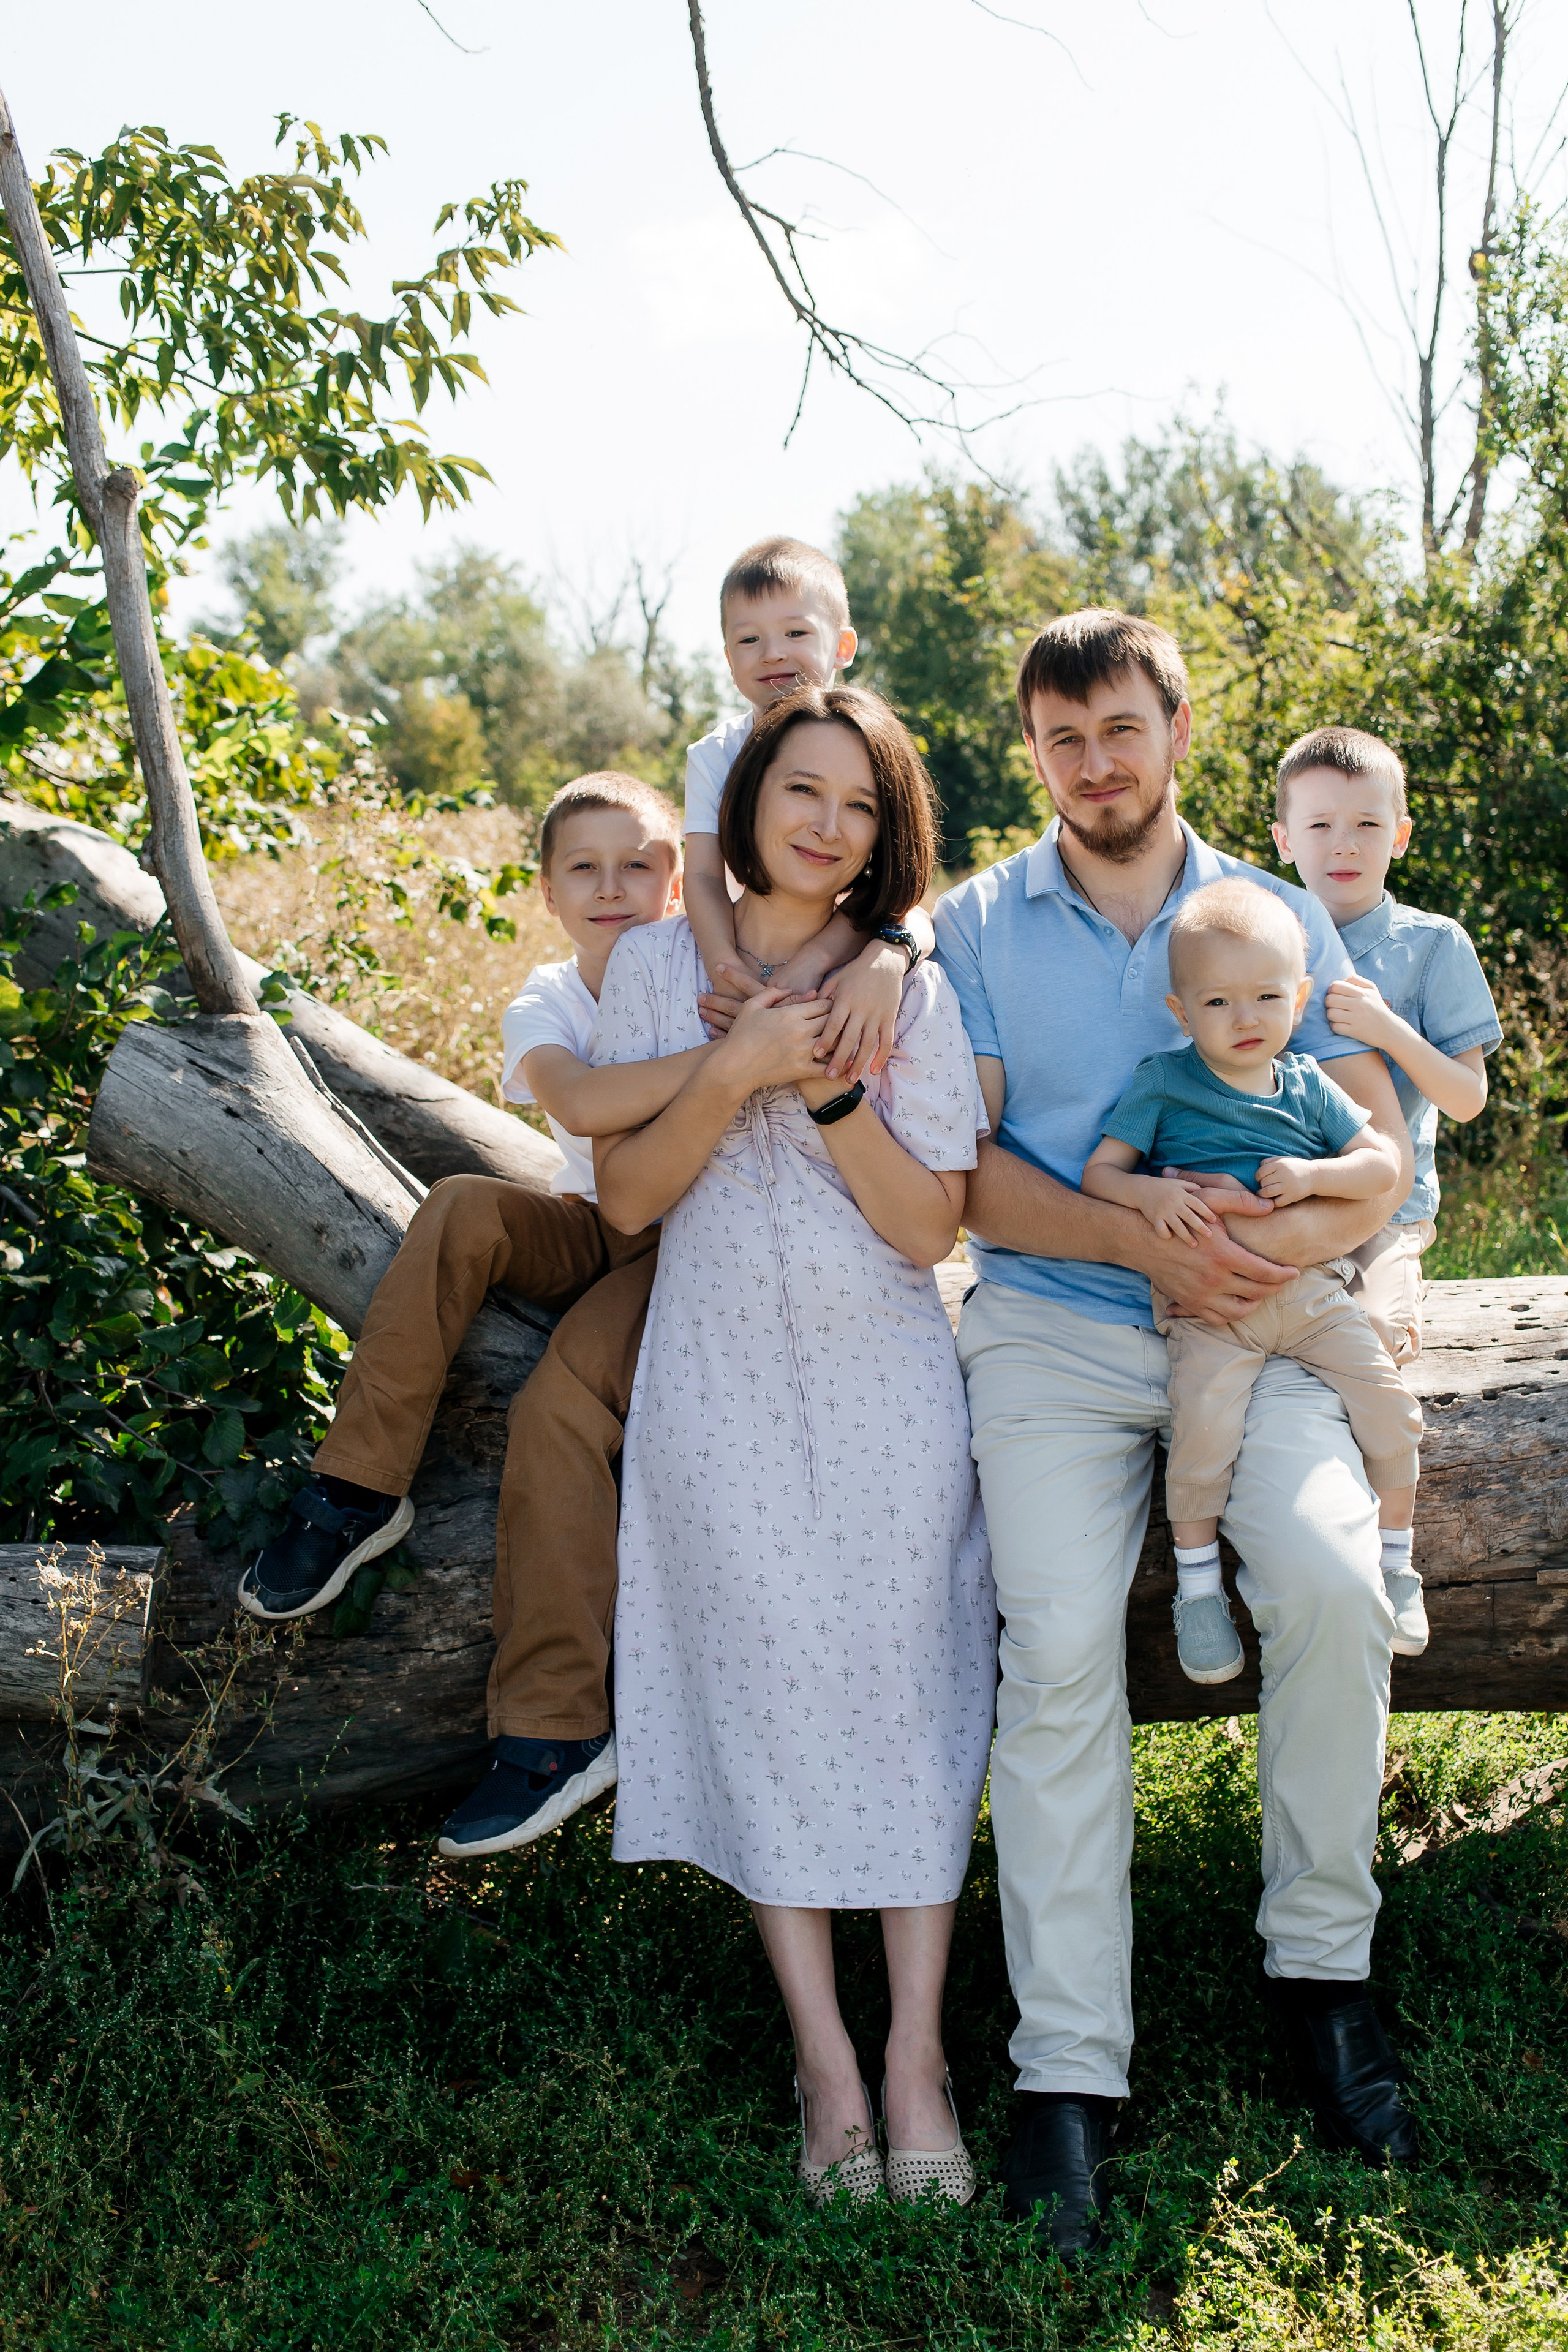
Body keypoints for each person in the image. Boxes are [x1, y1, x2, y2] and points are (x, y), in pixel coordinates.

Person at [933, 609, 1420, 2261]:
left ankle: (1322, 1974)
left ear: (1177, 728)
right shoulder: (973, 926)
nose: (1094, 764)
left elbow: (1376, 1156)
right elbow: (965, 1178)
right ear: (1032, 750)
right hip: (1053, 1334)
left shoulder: (1280, 909)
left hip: (1259, 1326)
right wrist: (1140, 1243)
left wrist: (1271, 1255)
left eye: (1119, 728)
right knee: (1058, 1641)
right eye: (1062, 738)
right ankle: (1068, 2067)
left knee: (1335, 1586)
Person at [592, 685, 995, 2208]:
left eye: (859, 806)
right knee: (760, 1695)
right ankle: (825, 2063)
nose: (826, 825)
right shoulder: (655, 967)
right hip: (716, 1387)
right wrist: (732, 1065)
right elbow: (626, 1197)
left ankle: (916, 2057)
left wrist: (822, 1082)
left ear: (887, 836)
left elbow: (925, 1227)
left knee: (907, 1694)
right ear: (749, 797)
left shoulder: (910, 990)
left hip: (882, 1385)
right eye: (802, 790)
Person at [240, 773, 726, 1858]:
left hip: (695, 1251)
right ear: (549, 891)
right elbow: (580, 1102)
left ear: (681, 879)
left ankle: (558, 1728)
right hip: (597, 1224)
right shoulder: (548, 996)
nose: (613, 887)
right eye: (584, 869)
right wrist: (732, 1061)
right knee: (463, 1206)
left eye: (639, 864)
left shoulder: (707, 967)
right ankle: (356, 1490)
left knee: (557, 1408)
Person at [1082, 878, 1423, 1679]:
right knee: (1204, 1435)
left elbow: (1381, 1166)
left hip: (1309, 1294)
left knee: (1390, 1406)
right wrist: (1151, 1194)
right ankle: (1198, 1589)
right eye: (1218, 1003)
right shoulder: (1165, 1082)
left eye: (1267, 997)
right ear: (1181, 1012)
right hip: (1209, 1306)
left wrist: (1312, 1176)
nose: (1245, 1019)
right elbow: (1101, 1175)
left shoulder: (1305, 1083)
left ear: (1298, 998)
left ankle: (1397, 1561)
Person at [1270, 724, 1501, 1648]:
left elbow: (1468, 1098)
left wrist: (1385, 1028)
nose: (1344, 845)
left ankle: (1389, 1558)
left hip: (1384, 1213)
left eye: (1368, 825)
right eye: (1320, 825)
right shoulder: (1265, 932)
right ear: (1283, 837)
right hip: (1283, 1200)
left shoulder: (1430, 945)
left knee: (1370, 1339)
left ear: (1400, 836)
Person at [684, 535, 935, 1082]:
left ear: (842, 646)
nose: (773, 652)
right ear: (728, 660)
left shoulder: (869, 745)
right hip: (743, 946)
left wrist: (828, 958)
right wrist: (727, 972)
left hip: (834, 943)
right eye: (749, 639)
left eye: (795, 633)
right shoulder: (714, 755)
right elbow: (701, 875)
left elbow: (900, 889)